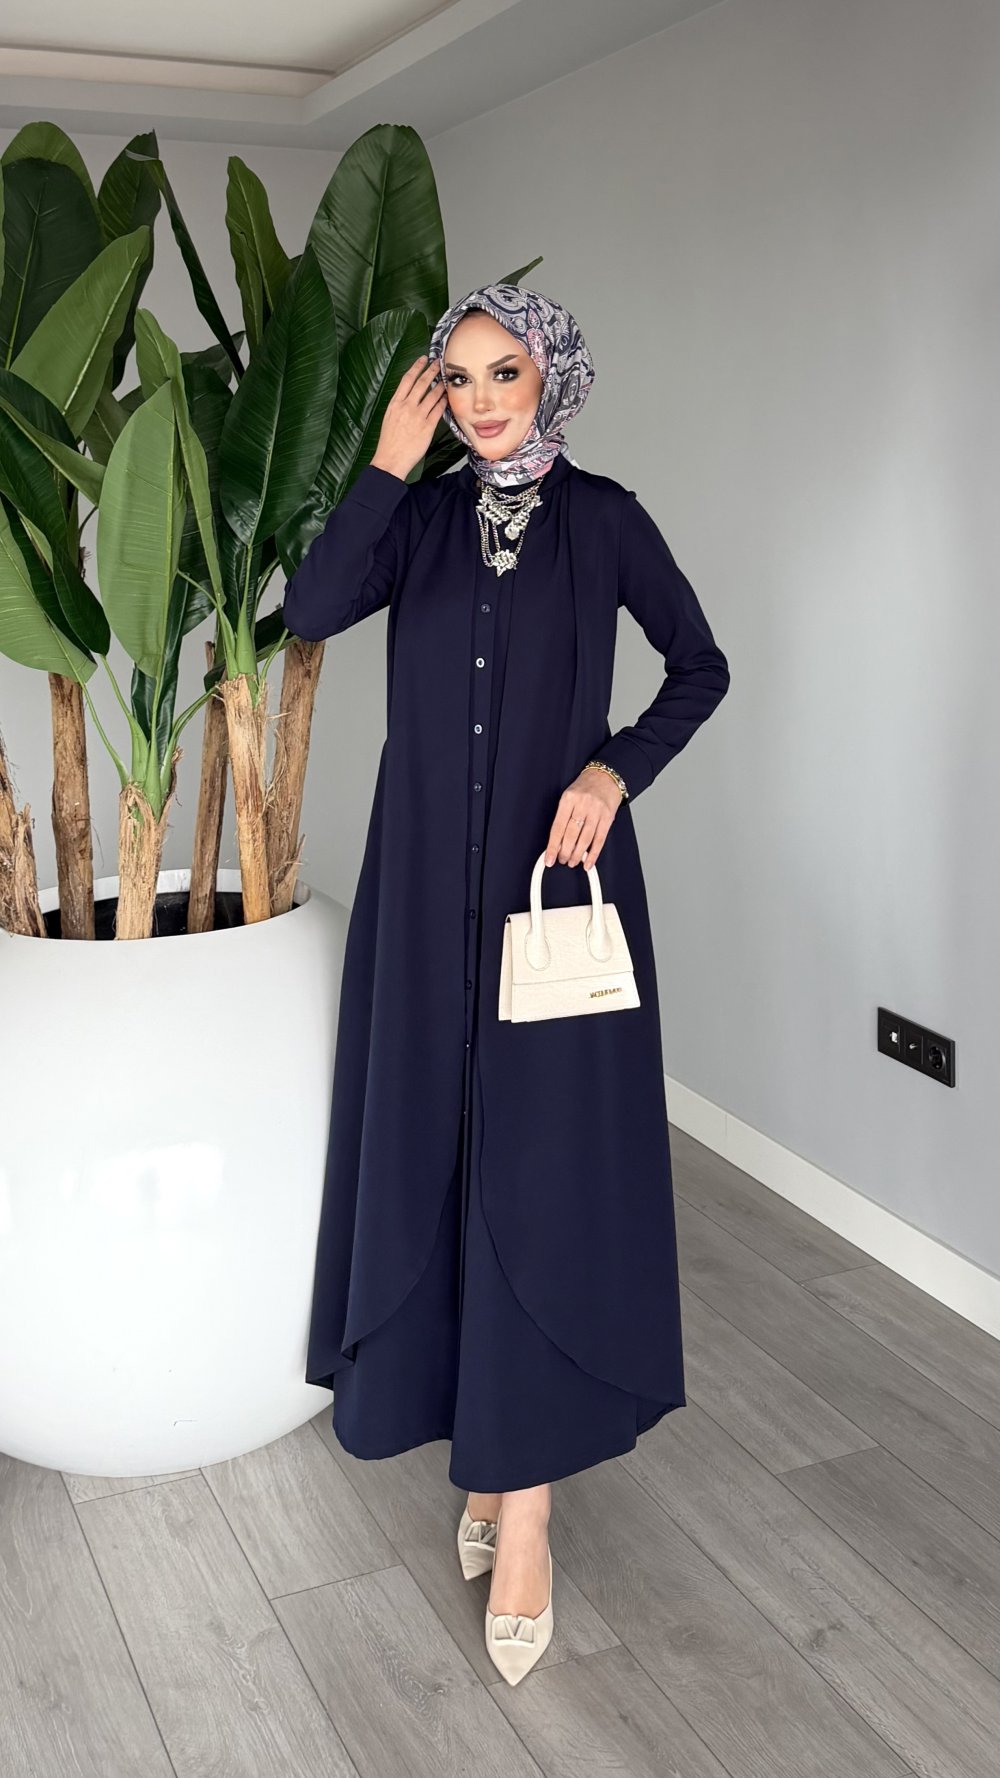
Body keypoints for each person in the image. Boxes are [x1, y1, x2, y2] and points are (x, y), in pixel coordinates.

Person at [280, 283, 731, 1684]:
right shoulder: (416, 521)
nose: (479, 401)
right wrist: (382, 468)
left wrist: (612, 769)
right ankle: (481, 1448)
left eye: (505, 374)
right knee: (441, 1148)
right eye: (458, 378)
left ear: (553, 380)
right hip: (424, 895)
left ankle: (524, 1508)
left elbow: (701, 666)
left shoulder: (605, 520)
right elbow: (308, 609)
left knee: (535, 1172)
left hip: (553, 902)